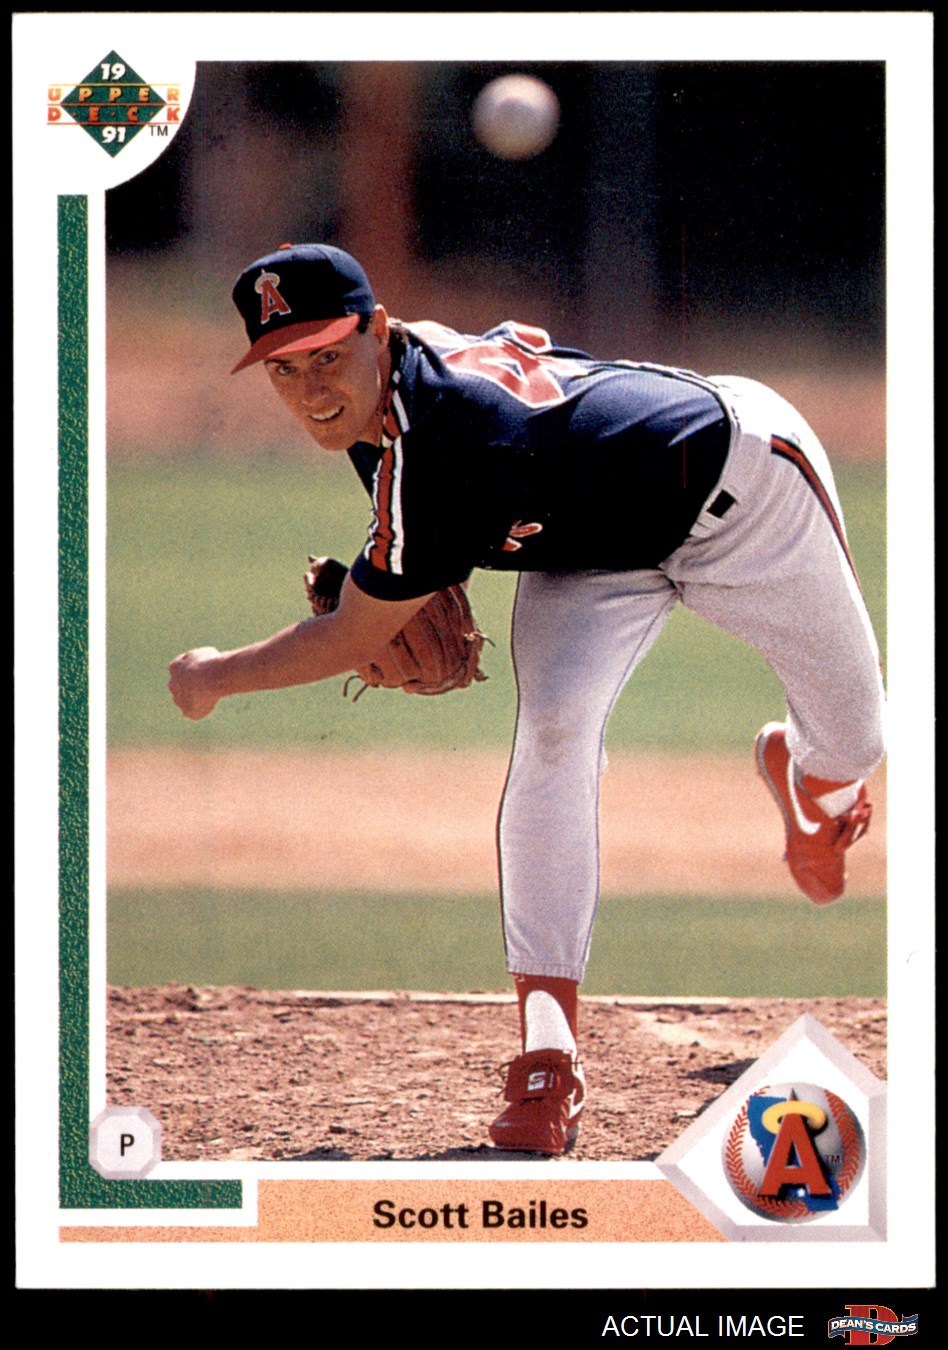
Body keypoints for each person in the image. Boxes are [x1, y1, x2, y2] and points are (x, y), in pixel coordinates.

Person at [169, 242, 886, 1156]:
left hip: (746, 489)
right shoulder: (396, 394)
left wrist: (212, 676)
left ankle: (807, 779)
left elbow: (350, 635)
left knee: (855, 741)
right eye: (285, 368)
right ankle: (548, 1057)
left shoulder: (446, 436)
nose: (312, 389)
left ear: (378, 331)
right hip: (587, 557)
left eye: (328, 355)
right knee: (553, 735)